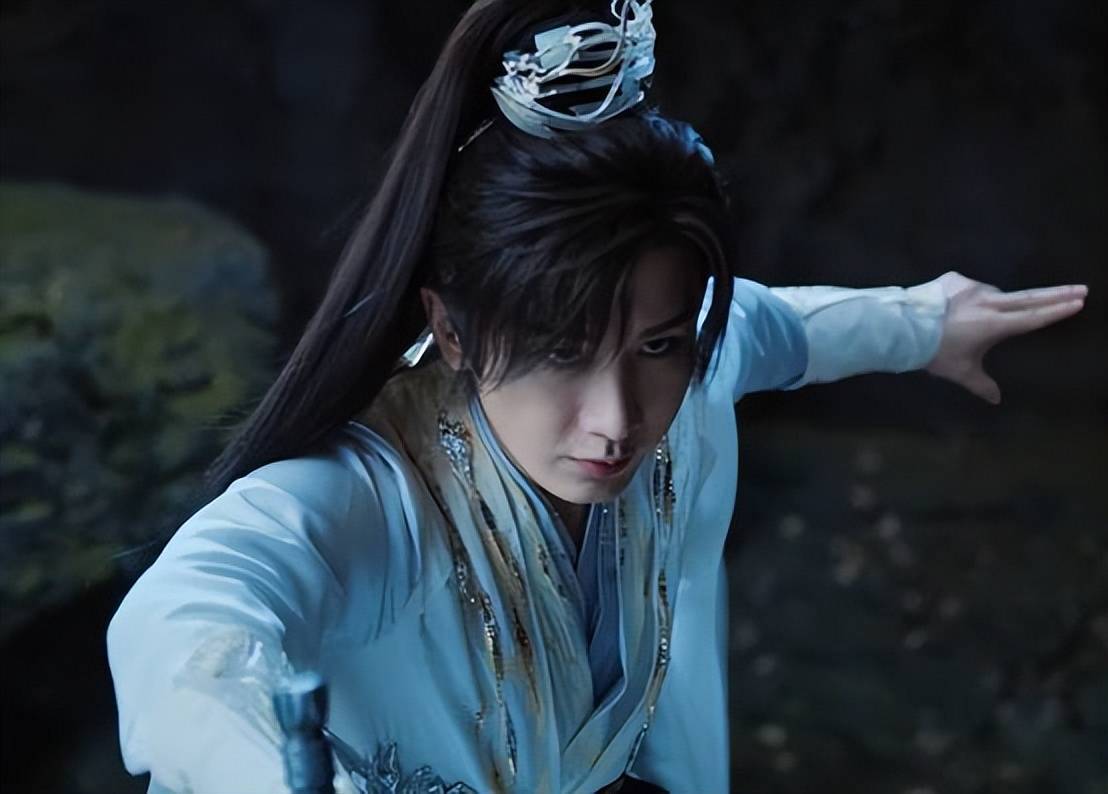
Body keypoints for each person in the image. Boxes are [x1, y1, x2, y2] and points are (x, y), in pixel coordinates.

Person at [106, 1, 1087, 792]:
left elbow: (772, 329)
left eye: (657, 344)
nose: (617, 420)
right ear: (452, 328)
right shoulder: (369, 498)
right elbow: (187, 617)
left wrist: (925, 323)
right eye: (560, 354)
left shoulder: (693, 360)